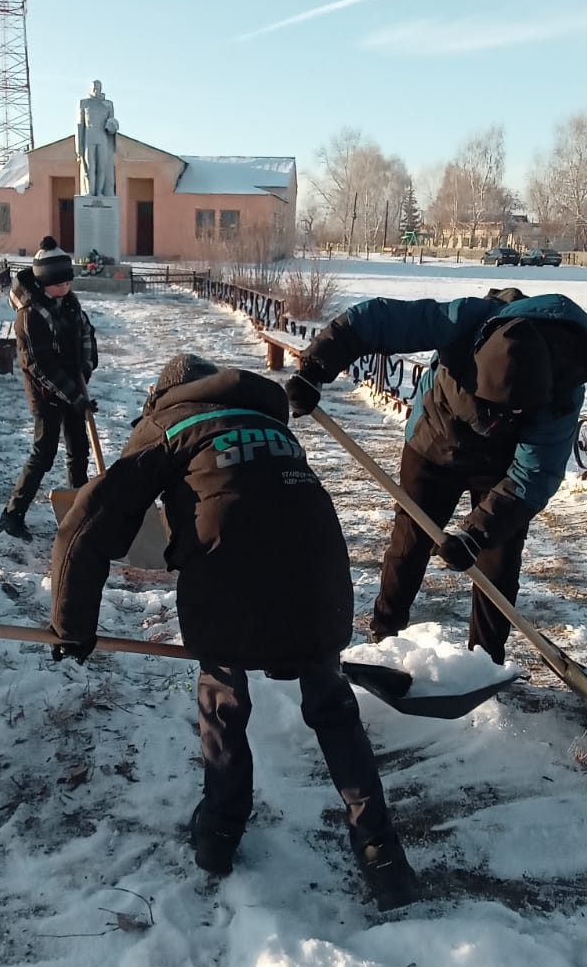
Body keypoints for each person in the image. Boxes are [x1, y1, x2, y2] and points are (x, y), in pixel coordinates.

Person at [47, 353, 418, 913]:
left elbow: (90, 521)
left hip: (230, 571)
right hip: (319, 566)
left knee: (223, 694)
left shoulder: (169, 422)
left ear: (161, 396)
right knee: (332, 704)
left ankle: (218, 833)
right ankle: (383, 854)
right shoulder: (268, 421)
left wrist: (72, 626)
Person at [286, 291, 587, 665]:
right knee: (410, 543)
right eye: (489, 406)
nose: (493, 421)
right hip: (435, 442)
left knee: (497, 562)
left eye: (511, 412)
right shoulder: (464, 320)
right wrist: (315, 369)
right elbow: (374, 320)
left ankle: (485, 663)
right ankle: (384, 637)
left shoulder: (563, 391)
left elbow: (535, 474)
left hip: (504, 467)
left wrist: (477, 533)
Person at [0, 237, 97, 542]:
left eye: (68, 282)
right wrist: (74, 395)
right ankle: (12, 515)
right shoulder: (29, 315)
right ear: (43, 282)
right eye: (59, 284)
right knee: (45, 453)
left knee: (79, 450)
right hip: (45, 393)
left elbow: (87, 332)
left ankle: (79, 510)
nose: (65, 288)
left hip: (73, 390)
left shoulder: (69, 303)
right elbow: (40, 366)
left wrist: (87, 366)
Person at [76, 80, 119, 197]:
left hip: (103, 138)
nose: (96, 90)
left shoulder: (108, 104)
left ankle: (100, 192)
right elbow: (80, 126)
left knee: (102, 166)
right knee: (90, 166)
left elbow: (112, 122)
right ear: (90, 88)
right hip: (89, 138)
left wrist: (113, 125)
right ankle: (90, 191)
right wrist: (78, 147)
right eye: (94, 87)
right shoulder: (84, 103)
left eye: (98, 87)